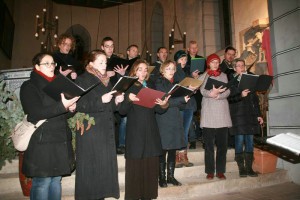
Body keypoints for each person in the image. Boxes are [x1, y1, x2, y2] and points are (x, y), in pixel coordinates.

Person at [20, 52, 79, 199]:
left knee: (56, 180)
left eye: (53, 63)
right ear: (37, 67)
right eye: (47, 63)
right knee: (42, 182)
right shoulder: (29, 86)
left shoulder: (58, 85)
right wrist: (62, 106)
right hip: (42, 141)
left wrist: (70, 109)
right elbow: (34, 113)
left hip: (60, 139)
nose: (51, 66)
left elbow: (62, 114)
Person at [74, 50, 124, 199]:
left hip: (105, 130)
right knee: (92, 170)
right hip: (91, 132)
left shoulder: (105, 80)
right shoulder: (83, 79)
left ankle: (101, 195)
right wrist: (100, 100)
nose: (104, 65)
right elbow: (79, 105)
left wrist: (116, 101)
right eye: (100, 62)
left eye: (105, 62)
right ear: (90, 64)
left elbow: (110, 105)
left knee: (103, 170)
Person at [119, 59, 169, 200]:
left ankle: (148, 195)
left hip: (151, 129)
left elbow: (159, 110)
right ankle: (134, 196)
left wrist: (164, 104)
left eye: (145, 69)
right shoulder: (128, 85)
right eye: (140, 69)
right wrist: (128, 99)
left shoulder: (151, 85)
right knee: (136, 165)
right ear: (134, 70)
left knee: (150, 165)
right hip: (135, 131)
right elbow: (122, 111)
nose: (143, 72)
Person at [228, 58, 263, 177]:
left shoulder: (250, 80)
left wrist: (259, 115)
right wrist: (241, 95)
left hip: (250, 115)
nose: (241, 68)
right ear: (234, 68)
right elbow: (230, 99)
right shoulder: (232, 82)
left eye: (243, 65)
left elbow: (255, 100)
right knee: (239, 141)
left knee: (250, 141)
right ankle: (241, 168)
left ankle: (249, 168)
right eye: (238, 66)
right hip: (238, 115)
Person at [155, 60, 188, 187]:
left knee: (173, 149)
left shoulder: (177, 84)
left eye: (173, 68)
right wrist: (181, 99)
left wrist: (186, 95)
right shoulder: (159, 82)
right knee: (163, 150)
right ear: (162, 70)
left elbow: (177, 103)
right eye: (168, 68)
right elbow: (163, 101)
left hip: (175, 118)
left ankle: (171, 177)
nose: (171, 71)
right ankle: (161, 178)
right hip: (163, 119)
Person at [200, 53, 232, 180]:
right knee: (209, 146)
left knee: (222, 145)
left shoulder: (224, 75)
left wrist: (219, 95)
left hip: (222, 112)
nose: (215, 64)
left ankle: (220, 170)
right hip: (208, 112)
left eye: (217, 62)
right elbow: (202, 90)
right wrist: (212, 93)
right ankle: (209, 171)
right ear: (208, 63)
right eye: (212, 62)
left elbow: (228, 90)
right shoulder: (204, 75)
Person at [173, 50, 197, 168]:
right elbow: (174, 88)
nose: (184, 61)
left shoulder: (187, 72)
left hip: (189, 105)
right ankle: (177, 156)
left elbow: (193, 87)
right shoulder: (174, 72)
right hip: (180, 104)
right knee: (179, 130)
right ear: (176, 60)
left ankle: (184, 156)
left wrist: (194, 87)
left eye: (185, 59)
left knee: (186, 131)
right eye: (181, 59)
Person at [117, 44, 140, 155]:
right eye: (133, 50)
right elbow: (121, 81)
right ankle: (121, 144)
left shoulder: (138, 63)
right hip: (126, 94)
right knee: (124, 120)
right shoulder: (122, 63)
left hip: (137, 93)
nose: (135, 52)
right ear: (128, 52)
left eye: (137, 51)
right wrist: (122, 74)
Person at [219, 46, 237, 149]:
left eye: (233, 55)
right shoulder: (220, 67)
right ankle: (227, 142)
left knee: (233, 119)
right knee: (225, 120)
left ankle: (233, 141)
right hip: (224, 96)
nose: (230, 56)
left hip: (234, 95)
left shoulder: (235, 66)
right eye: (229, 54)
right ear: (225, 54)